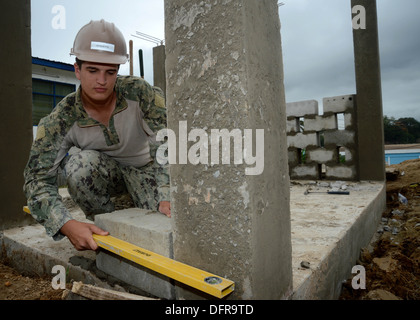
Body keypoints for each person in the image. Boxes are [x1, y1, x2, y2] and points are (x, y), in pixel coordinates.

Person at [24, 19, 171, 251]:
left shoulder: (139, 92)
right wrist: (65, 223)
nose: (102, 81)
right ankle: (107, 227)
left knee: (167, 231)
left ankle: (138, 203)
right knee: (79, 166)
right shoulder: (62, 118)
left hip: (147, 171)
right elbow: (37, 179)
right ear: (77, 70)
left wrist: (167, 193)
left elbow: (167, 141)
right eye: (92, 70)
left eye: (109, 72)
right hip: (105, 173)